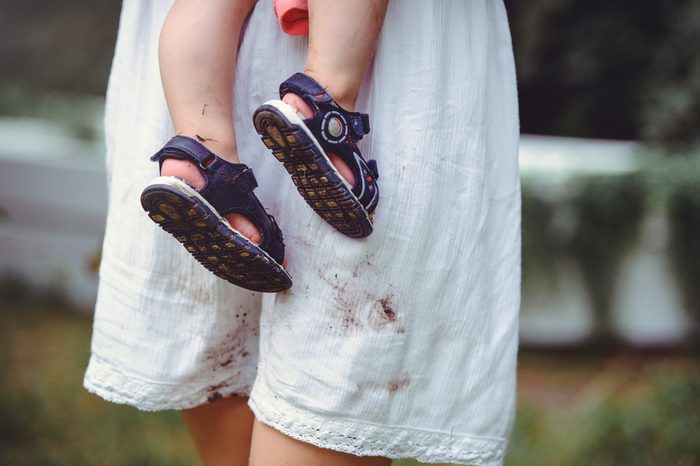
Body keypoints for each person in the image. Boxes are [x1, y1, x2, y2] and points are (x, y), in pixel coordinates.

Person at [84, 0, 521, 465]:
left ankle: (199, 156)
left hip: (214, 73)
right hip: (378, 44)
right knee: (335, 365)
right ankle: (323, 108)